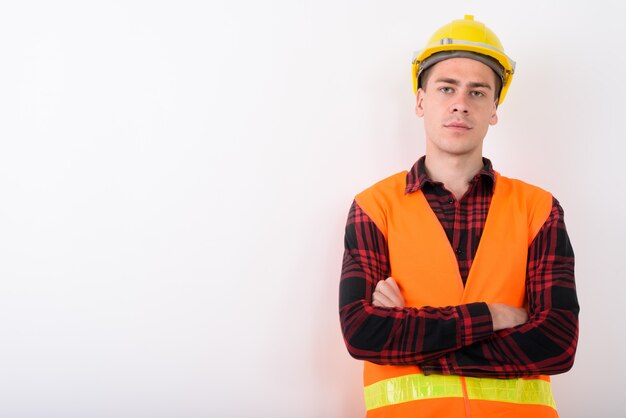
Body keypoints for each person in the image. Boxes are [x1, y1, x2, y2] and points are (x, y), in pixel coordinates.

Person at [338, 15, 579, 418]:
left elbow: (557, 342)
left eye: (478, 92)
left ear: (494, 109)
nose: (460, 103)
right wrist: (496, 316)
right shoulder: (374, 207)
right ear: (420, 101)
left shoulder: (539, 209)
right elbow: (363, 333)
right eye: (446, 87)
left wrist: (415, 340)